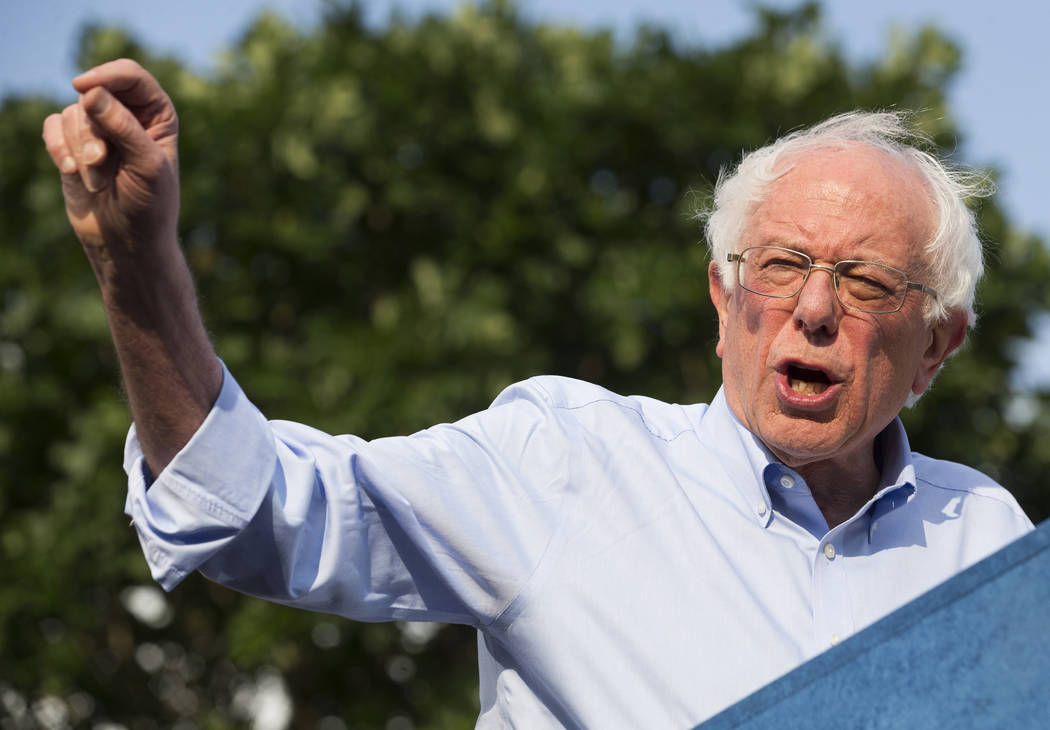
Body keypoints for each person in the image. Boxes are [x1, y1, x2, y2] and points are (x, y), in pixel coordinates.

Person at [43, 60, 1032, 728]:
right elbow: (251, 509)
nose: (813, 308)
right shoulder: (566, 463)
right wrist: (138, 266)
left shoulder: (986, 541)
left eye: (864, 282)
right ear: (724, 297)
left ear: (935, 344)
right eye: (780, 264)